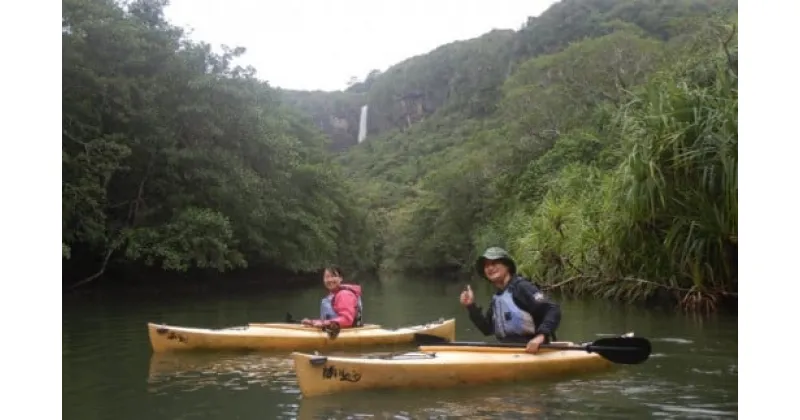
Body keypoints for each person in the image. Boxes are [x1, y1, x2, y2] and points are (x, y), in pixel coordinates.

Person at [460, 247, 561, 354]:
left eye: (494, 263)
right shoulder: (498, 297)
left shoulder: (521, 287)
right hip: (509, 350)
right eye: (486, 265)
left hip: (533, 350)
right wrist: (471, 306)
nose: (489, 268)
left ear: (507, 266)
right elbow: (487, 329)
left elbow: (552, 309)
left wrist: (540, 336)